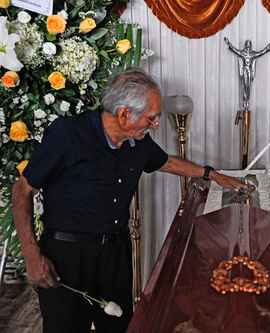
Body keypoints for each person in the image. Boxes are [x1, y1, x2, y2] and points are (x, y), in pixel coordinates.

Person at [11, 69, 248, 332]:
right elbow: (22, 190)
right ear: (124, 114)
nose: (156, 125)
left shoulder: (138, 143)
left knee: (118, 325)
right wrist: (31, 254)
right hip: (67, 257)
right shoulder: (68, 134)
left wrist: (211, 174)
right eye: (152, 118)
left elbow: (166, 161)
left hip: (115, 255)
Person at [223, 38, 270, 111]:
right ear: (245, 46)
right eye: (246, 45)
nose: (247, 47)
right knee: (244, 86)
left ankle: (247, 102)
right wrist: (228, 43)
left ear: (250, 46)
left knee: (248, 87)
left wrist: (269, 46)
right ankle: (245, 103)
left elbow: (261, 52)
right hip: (244, 70)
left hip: (249, 71)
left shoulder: (252, 53)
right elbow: (235, 50)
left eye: (249, 45)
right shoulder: (243, 53)